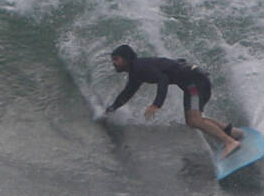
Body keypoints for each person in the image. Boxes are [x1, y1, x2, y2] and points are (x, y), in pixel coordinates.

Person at [103, 44, 243, 157]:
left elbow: (163, 79)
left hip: (195, 82)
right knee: (193, 120)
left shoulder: (140, 67)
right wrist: (112, 108)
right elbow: (128, 92)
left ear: (126, 59)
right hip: (193, 83)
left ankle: (229, 142)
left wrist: (156, 104)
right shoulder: (136, 71)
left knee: (195, 120)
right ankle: (232, 132)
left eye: (116, 59)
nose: (113, 63)